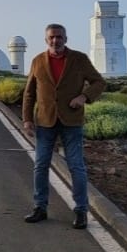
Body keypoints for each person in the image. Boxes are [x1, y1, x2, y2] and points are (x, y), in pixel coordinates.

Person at [22, 23, 106, 228]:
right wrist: (27, 119)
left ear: (66, 39)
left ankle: (81, 211)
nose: (55, 40)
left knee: (76, 166)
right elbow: (29, 92)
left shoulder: (79, 59)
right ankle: (39, 207)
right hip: (45, 121)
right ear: (46, 40)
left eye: (59, 37)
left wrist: (83, 96)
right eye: (51, 37)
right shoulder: (37, 61)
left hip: (71, 120)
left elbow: (99, 82)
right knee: (41, 165)